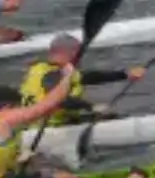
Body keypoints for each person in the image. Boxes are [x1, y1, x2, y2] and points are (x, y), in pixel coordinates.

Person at [17, 35, 147, 126]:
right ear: (71, 52)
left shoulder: (38, 68)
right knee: (113, 119)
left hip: (32, 124)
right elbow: (59, 99)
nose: (79, 59)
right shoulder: (54, 74)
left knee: (107, 116)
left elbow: (90, 77)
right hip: (49, 128)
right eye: (78, 54)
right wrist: (91, 107)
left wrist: (125, 74)